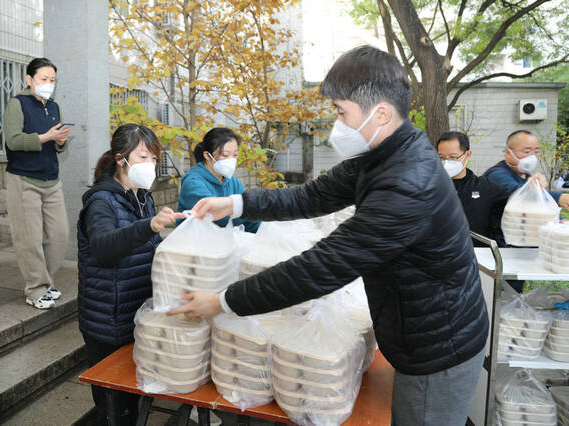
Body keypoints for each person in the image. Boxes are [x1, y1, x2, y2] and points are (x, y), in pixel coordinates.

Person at [169, 45, 489, 426]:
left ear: (380, 113)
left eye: (341, 111)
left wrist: (224, 301)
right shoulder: (384, 153)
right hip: (419, 331)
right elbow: (313, 195)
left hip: (439, 348)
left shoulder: (408, 182)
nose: (336, 123)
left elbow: (323, 267)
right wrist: (237, 204)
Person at [77, 123, 183, 426]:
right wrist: (147, 227)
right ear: (121, 158)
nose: (150, 165)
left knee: (134, 398)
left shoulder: (142, 197)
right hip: (107, 320)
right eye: (142, 157)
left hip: (135, 314)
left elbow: (147, 248)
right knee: (114, 408)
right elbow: (103, 248)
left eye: (154, 158)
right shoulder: (101, 201)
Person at [2, 57, 71, 309]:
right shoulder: (17, 104)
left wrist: (60, 141)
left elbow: (57, 144)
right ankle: (35, 289)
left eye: (52, 80)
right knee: (29, 238)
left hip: (51, 179)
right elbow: (13, 140)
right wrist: (46, 137)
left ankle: (46, 281)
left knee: (60, 234)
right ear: (29, 79)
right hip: (23, 178)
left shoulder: (54, 107)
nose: (48, 84)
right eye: (43, 79)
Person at [177, 127, 260, 232]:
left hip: (223, 243)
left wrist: (264, 230)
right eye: (225, 155)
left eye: (235, 155)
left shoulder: (233, 182)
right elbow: (216, 217)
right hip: (195, 244)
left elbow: (251, 218)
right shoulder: (193, 182)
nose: (231, 160)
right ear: (207, 155)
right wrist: (245, 210)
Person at [436, 131, 509, 246]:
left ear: (467, 155)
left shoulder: (484, 188)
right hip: (437, 255)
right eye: (441, 157)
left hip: (476, 256)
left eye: (453, 157)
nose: (446, 162)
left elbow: (513, 207)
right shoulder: (428, 188)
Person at [484, 130, 569, 210]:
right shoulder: (497, 174)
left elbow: (539, 202)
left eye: (536, 151)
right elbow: (518, 193)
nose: (533, 156)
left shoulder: (526, 175)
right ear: (508, 153)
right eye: (527, 151)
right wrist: (559, 198)